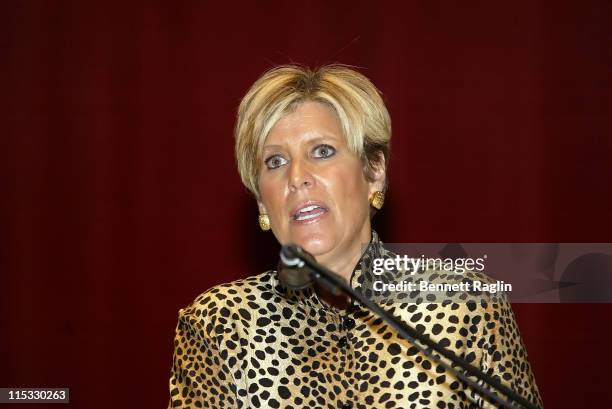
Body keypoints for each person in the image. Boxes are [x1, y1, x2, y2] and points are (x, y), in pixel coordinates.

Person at [168, 65, 543, 409]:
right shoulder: (221, 324)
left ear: (374, 171)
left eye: (322, 151)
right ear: (262, 201)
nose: (296, 176)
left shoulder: (464, 307)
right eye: (275, 162)